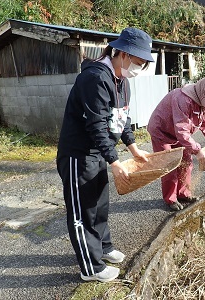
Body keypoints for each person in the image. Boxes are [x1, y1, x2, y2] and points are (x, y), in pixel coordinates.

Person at [56, 27, 154, 282]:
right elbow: (96, 124)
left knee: (99, 205)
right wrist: (114, 160)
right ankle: (90, 268)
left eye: (143, 64)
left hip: (98, 151)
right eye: (138, 61)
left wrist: (132, 147)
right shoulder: (96, 78)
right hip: (79, 154)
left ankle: (104, 247)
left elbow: (122, 118)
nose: (139, 67)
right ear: (121, 53)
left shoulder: (120, 81)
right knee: (82, 212)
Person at [147, 76, 205, 211]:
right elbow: (182, 130)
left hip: (178, 134)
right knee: (169, 165)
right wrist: (198, 150)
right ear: (202, 94)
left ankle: (183, 194)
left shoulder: (203, 102)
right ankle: (170, 199)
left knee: (186, 162)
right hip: (162, 131)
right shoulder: (183, 99)